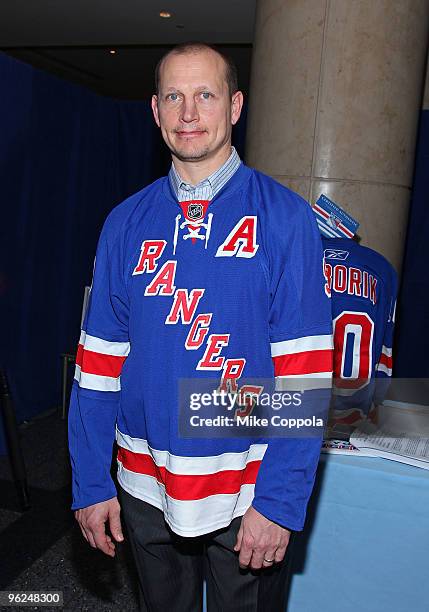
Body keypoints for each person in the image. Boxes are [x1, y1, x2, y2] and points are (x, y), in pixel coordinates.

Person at [68, 42, 333, 611]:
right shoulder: (124, 224)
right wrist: (91, 481)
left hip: (248, 493)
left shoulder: (284, 219)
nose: (189, 112)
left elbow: (304, 373)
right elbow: (97, 367)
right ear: (156, 111)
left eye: (205, 95)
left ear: (235, 107)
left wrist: (280, 504)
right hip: (144, 486)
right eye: (174, 96)